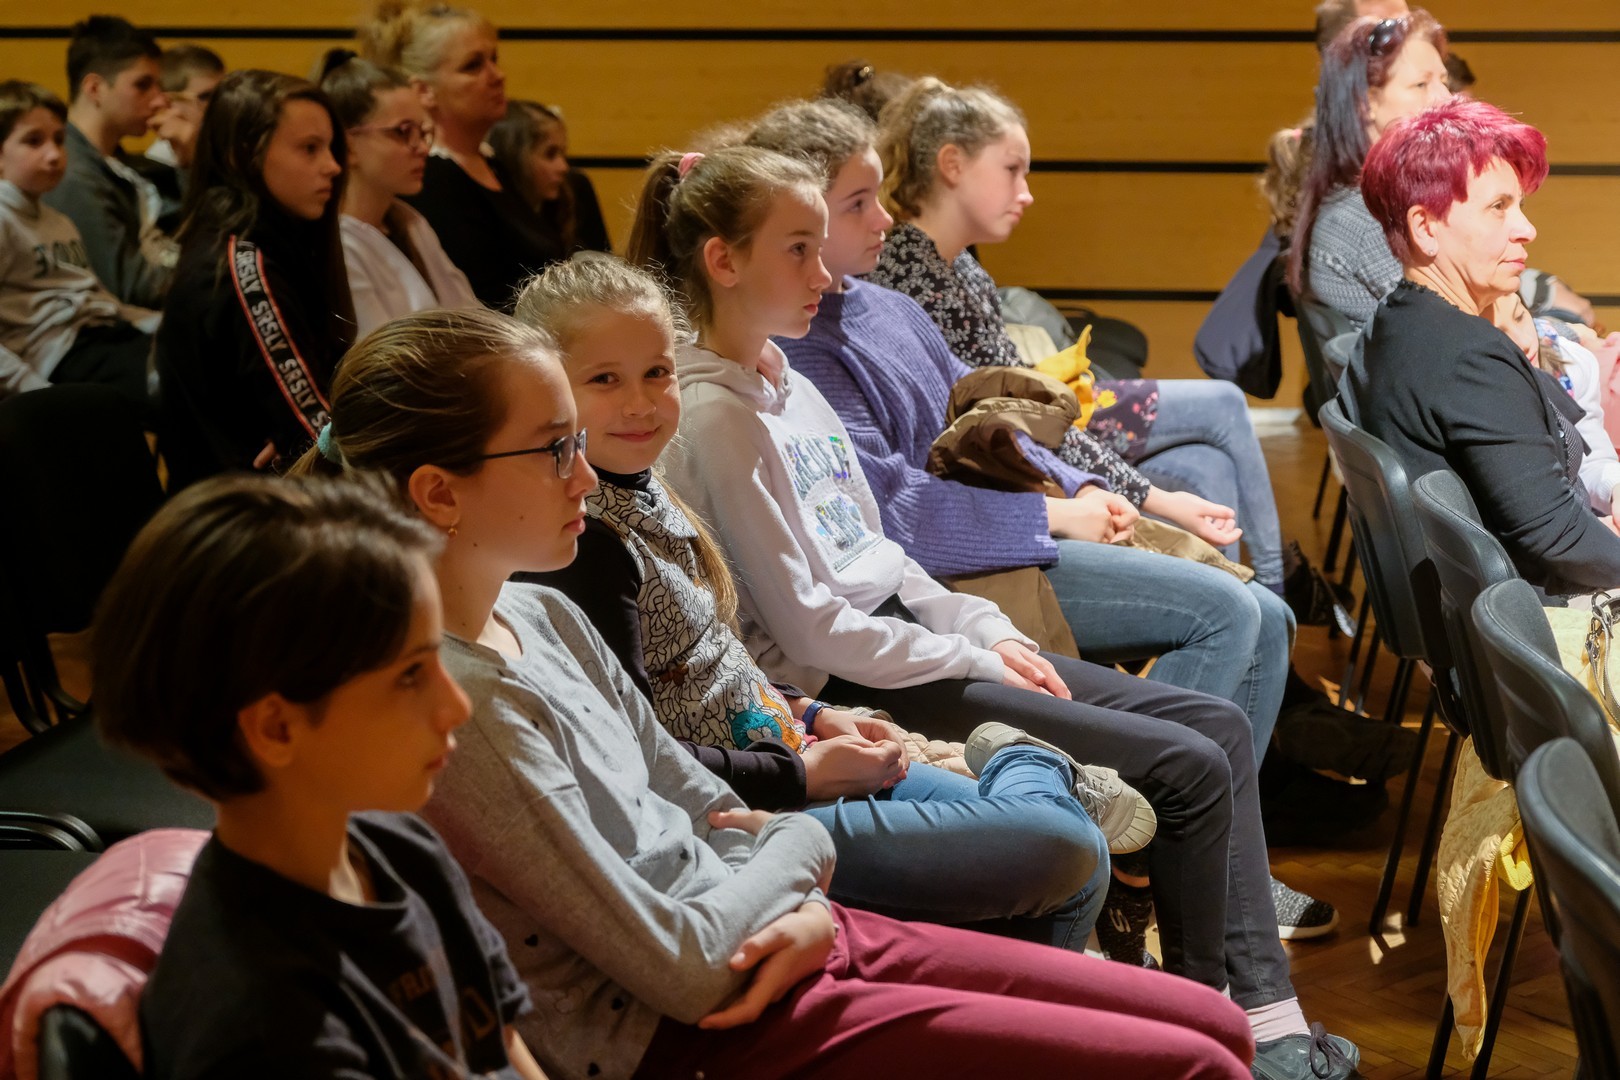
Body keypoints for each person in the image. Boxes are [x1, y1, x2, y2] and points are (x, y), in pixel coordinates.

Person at [293, 305, 1259, 1080]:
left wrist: (784, 862)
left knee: (1215, 1025)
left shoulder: (540, 613)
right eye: (553, 449)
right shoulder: (461, 707)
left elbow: (693, 799)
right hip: (704, 1020)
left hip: (772, 927)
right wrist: (799, 855)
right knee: (1193, 1061)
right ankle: (1026, 775)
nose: (585, 474)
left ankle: (1024, 785)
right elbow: (680, 963)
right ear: (439, 492)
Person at [628, 143, 1360, 1077]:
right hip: (859, 677)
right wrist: (973, 658)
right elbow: (814, 629)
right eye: (799, 250)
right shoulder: (717, 415)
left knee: (1211, 727)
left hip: (913, 638)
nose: (825, 274)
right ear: (722, 262)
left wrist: (984, 627)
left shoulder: (786, 382)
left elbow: (882, 553)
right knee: (1188, 765)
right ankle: (1232, 1029)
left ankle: (1248, 1018)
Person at [515, 251, 1130, 953]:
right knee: (1064, 842)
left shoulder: (650, 485)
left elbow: (718, 660)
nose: (641, 402)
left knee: (1076, 855)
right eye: (604, 380)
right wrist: (803, 772)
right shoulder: (585, 541)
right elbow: (638, 753)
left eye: (658, 372)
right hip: (737, 808)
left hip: (794, 746)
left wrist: (812, 713)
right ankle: (1035, 766)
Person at [90, 472, 549, 1078]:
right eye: (410, 675)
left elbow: (500, 1043)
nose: (456, 706)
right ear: (278, 728)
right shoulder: (262, 1032)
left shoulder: (401, 848)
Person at [865, 77, 1290, 595]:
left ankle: (1259, 599)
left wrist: (1147, 497)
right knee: (1218, 418)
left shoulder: (957, 270)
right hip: (987, 500)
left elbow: (1026, 411)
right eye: (1012, 170)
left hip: (1021, 466)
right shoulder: (915, 278)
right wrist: (1151, 498)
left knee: (1207, 464)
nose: (1027, 193)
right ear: (951, 164)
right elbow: (1021, 427)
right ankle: (1266, 593)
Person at [1340, 97, 1620, 594]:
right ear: (1425, 227)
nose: (1527, 230)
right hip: (1530, 618)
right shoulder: (1467, 357)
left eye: (1520, 206)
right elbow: (1555, 535)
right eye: (1498, 208)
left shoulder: (1391, 324)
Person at [155, 69, 354, 490]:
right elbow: (320, 435)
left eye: (331, 148)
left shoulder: (275, 244)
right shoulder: (243, 265)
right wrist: (303, 436)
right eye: (310, 149)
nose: (333, 166)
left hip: (277, 495)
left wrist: (301, 436)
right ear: (242, 156)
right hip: (243, 513)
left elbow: (313, 428)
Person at [360, 0, 564, 309]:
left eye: (494, 59)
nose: (497, 75)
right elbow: (484, 298)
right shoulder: (432, 178)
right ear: (424, 91)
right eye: (473, 66)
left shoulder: (492, 162)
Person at [0, 80, 157, 402]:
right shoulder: (4, 219)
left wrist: (162, 321)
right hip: (59, 356)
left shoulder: (59, 222)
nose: (54, 154)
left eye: (59, 140)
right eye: (33, 141)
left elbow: (97, 298)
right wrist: (36, 392)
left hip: (103, 337)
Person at [319, 49, 478, 337]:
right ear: (348, 146)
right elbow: (381, 355)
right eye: (403, 132)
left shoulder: (411, 223)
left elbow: (473, 318)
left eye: (423, 132)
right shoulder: (338, 246)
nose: (422, 148)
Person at [44, 15, 176, 309]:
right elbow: (131, 287)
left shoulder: (118, 162)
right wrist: (215, 280)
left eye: (158, 86)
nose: (159, 101)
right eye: (143, 85)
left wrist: (190, 157)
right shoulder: (73, 173)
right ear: (95, 89)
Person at [487, 100, 613, 256]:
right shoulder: (490, 218)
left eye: (563, 153)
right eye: (550, 154)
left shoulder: (576, 191)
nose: (563, 167)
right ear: (515, 159)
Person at [136, 43, 226, 231]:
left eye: (223, 94)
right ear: (168, 101)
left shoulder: (228, 149)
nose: (222, 104)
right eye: (206, 97)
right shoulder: (157, 168)